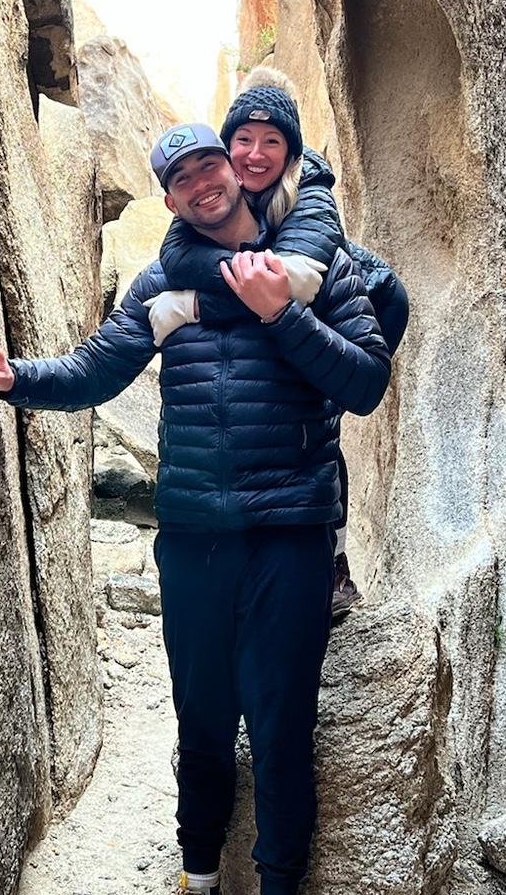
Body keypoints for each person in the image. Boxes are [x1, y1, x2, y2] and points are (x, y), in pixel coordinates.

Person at [0, 122, 391, 895]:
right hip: (194, 537)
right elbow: (98, 369)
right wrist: (18, 380)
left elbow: (365, 382)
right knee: (201, 727)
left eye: (209, 165)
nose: (201, 183)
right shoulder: (163, 283)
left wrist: (281, 313)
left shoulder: (316, 267)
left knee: (279, 730)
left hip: (289, 533)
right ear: (168, 197)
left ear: (235, 169)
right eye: (182, 177)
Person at [151, 69, 410, 617]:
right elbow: (180, 257)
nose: (255, 153)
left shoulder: (308, 192)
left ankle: (332, 562)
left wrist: (191, 306)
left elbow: (289, 280)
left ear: (292, 151)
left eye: (271, 141)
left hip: (369, 298)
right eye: (242, 140)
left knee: (317, 431)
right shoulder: (218, 197)